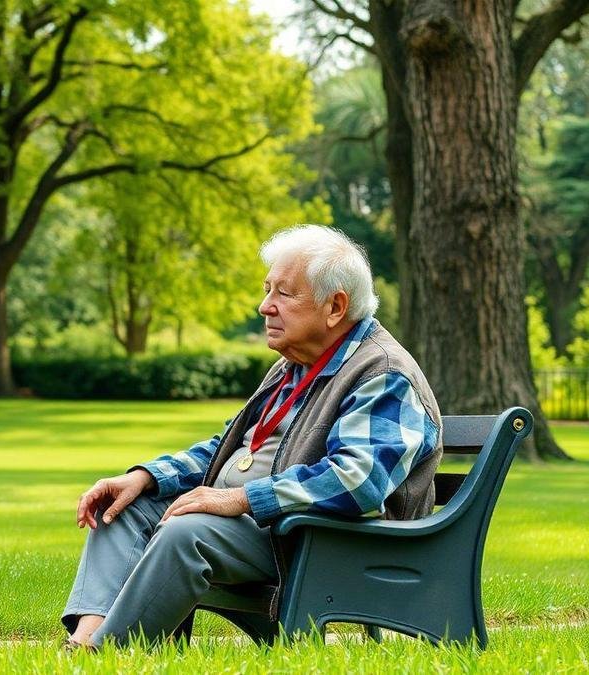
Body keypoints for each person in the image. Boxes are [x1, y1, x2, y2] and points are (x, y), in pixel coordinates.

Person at [62, 224, 443, 649]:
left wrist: (240, 498)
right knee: (121, 508)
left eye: (284, 294)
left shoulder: (383, 374)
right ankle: (85, 642)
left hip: (323, 541)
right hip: (267, 531)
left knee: (187, 533)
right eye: (267, 291)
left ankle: (109, 655)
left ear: (335, 307)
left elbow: (359, 481)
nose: (265, 306)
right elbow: (230, 447)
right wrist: (146, 477)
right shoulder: (292, 368)